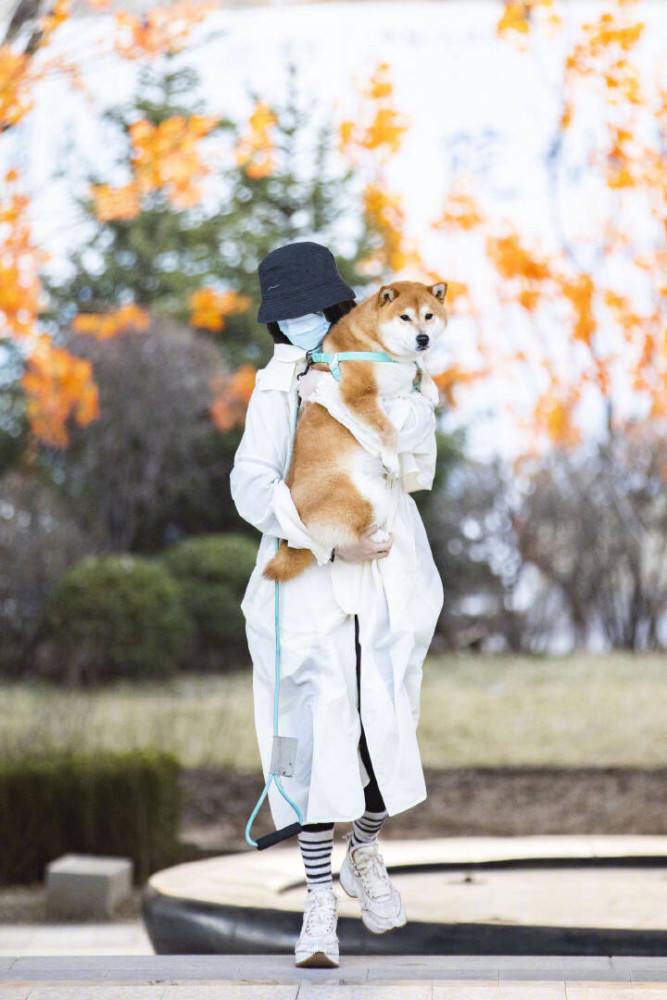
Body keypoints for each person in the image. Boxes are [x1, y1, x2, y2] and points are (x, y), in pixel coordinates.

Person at [230, 240, 444, 968]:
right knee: (320, 739)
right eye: (284, 317)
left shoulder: (382, 366)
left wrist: (380, 398)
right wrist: (324, 541)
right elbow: (251, 484)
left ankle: (368, 849)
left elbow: (415, 455)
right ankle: (318, 902)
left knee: (388, 727)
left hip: (389, 582)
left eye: (309, 312)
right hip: (313, 585)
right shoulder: (276, 386)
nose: (300, 328)